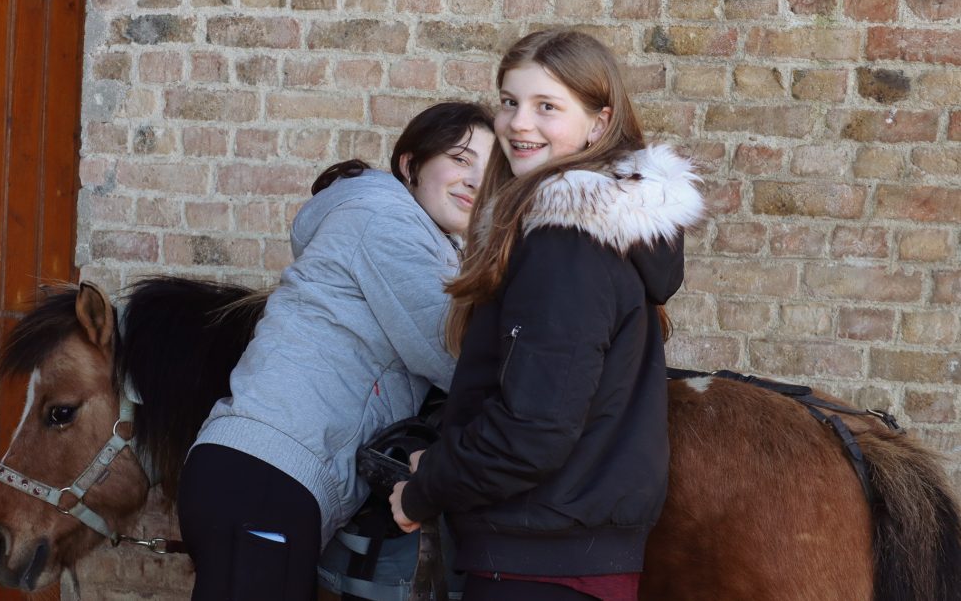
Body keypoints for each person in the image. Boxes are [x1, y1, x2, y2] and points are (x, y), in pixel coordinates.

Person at [389, 30, 705, 601]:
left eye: (547, 107)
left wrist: (423, 490)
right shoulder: (598, 240)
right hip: (567, 556)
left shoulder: (565, 244)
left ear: (600, 122)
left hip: (538, 565)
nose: (518, 124)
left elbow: (533, 430)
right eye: (509, 102)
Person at [177, 101, 495, 600]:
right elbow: (454, 356)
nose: (475, 181)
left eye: (490, 170)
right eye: (459, 159)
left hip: (255, 476)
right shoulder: (385, 224)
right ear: (411, 165)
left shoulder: (406, 233)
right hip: (267, 477)